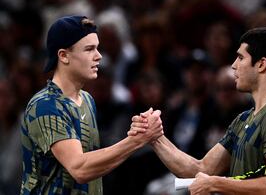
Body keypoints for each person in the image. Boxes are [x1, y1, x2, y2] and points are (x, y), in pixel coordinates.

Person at [130, 26, 266, 194]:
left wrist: (216, 183)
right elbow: (201, 169)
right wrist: (154, 136)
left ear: (261, 64)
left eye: (241, 58)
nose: (234, 65)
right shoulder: (244, 119)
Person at [19, 15, 163, 195]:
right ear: (63, 56)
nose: (99, 56)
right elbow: (80, 169)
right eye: (89, 49)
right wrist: (136, 140)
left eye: (97, 48)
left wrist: (136, 134)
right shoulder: (45, 106)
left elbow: (95, 164)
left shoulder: (87, 99)